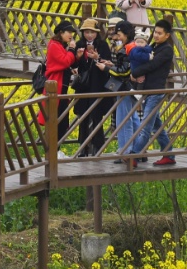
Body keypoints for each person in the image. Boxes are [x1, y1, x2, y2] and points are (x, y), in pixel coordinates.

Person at [128, 19, 176, 167]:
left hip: (156, 91)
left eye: (160, 33)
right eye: (155, 32)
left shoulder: (166, 50)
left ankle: (133, 156)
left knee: (145, 126)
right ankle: (169, 155)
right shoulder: (154, 46)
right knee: (157, 126)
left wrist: (134, 72)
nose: (156, 35)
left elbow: (153, 65)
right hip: (149, 90)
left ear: (167, 35)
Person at [72, 19, 113, 156]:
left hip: (97, 86)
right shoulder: (79, 45)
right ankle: (83, 148)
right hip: (83, 86)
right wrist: (78, 58)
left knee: (96, 117)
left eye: (92, 32)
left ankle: (97, 148)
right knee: (82, 117)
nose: (89, 35)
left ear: (97, 33)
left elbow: (108, 64)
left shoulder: (102, 45)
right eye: (86, 32)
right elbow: (73, 64)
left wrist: (97, 58)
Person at [100, 20, 139, 158]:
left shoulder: (125, 49)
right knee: (133, 117)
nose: (117, 37)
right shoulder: (134, 46)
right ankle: (139, 148)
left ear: (126, 34)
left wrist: (106, 68)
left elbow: (123, 72)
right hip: (133, 87)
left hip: (124, 87)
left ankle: (125, 151)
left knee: (124, 119)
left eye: (119, 34)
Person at [39, 21, 78, 143]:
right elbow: (65, 61)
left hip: (61, 87)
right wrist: (72, 49)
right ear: (61, 32)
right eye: (68, 32)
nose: (71, 35)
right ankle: (54, 149)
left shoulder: (59, 45)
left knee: (62, 118)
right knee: (56, 118)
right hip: (55, 86)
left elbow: (65, 64)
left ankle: (57, 148)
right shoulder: (54, 45)